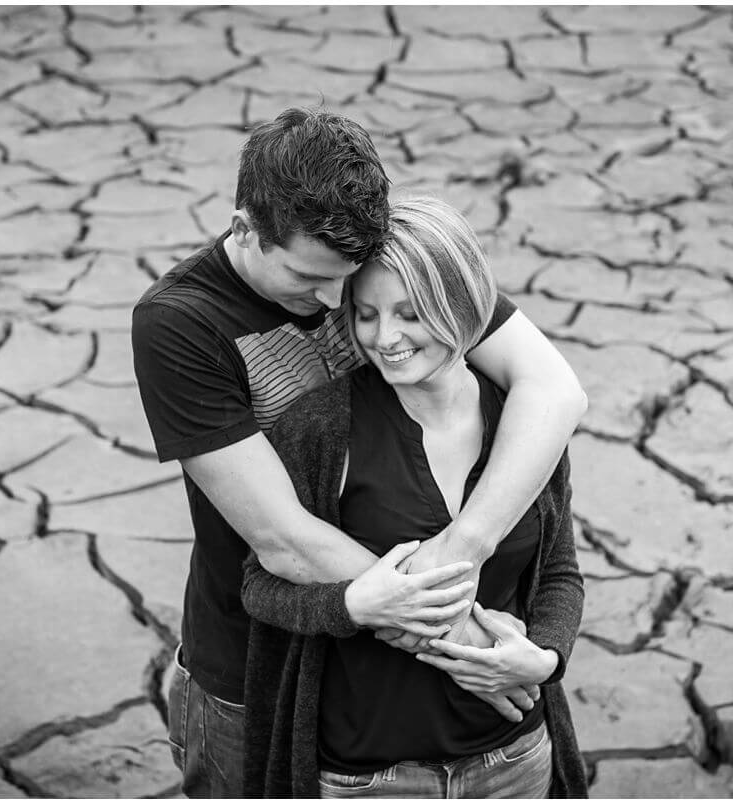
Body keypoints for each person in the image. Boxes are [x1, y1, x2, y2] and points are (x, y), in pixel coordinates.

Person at [132, 108, 588, 798]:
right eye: (312, 279)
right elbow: (282, 542)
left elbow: (552, 389)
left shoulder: (379, 267)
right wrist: (473, 645)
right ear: (244, 231)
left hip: (441, 713)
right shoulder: (182, 323)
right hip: (252, 674)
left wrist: (466, 543)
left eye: (351, 278)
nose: (340, 303)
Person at [241, 196, 586, 798]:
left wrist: (546, 660)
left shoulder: (524, 424)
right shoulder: (322, 428)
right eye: (367, 315)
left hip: (514, 760)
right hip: (369, 776)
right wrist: (354, 604)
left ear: (462, 306)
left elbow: (558, 570)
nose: (386, 337)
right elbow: (260, 586)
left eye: (410, 313)